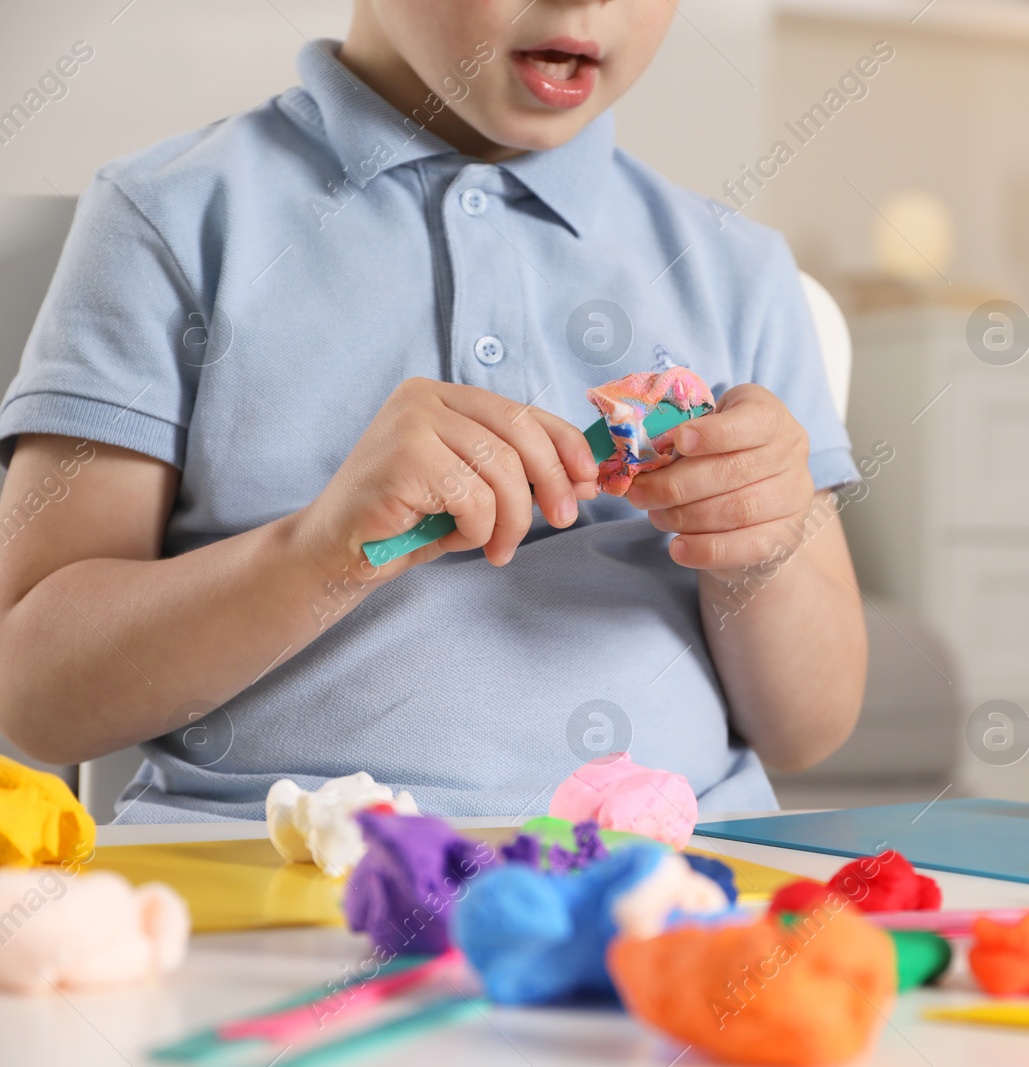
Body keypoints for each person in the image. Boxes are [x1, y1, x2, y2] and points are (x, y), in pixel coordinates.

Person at [0, 0, 867, 821]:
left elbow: (808, 727)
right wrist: (318, 552)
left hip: (673, 879)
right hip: (273, 876)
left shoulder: (739, 270)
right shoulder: (170, 218)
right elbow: (36, 695)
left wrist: (763, 542)